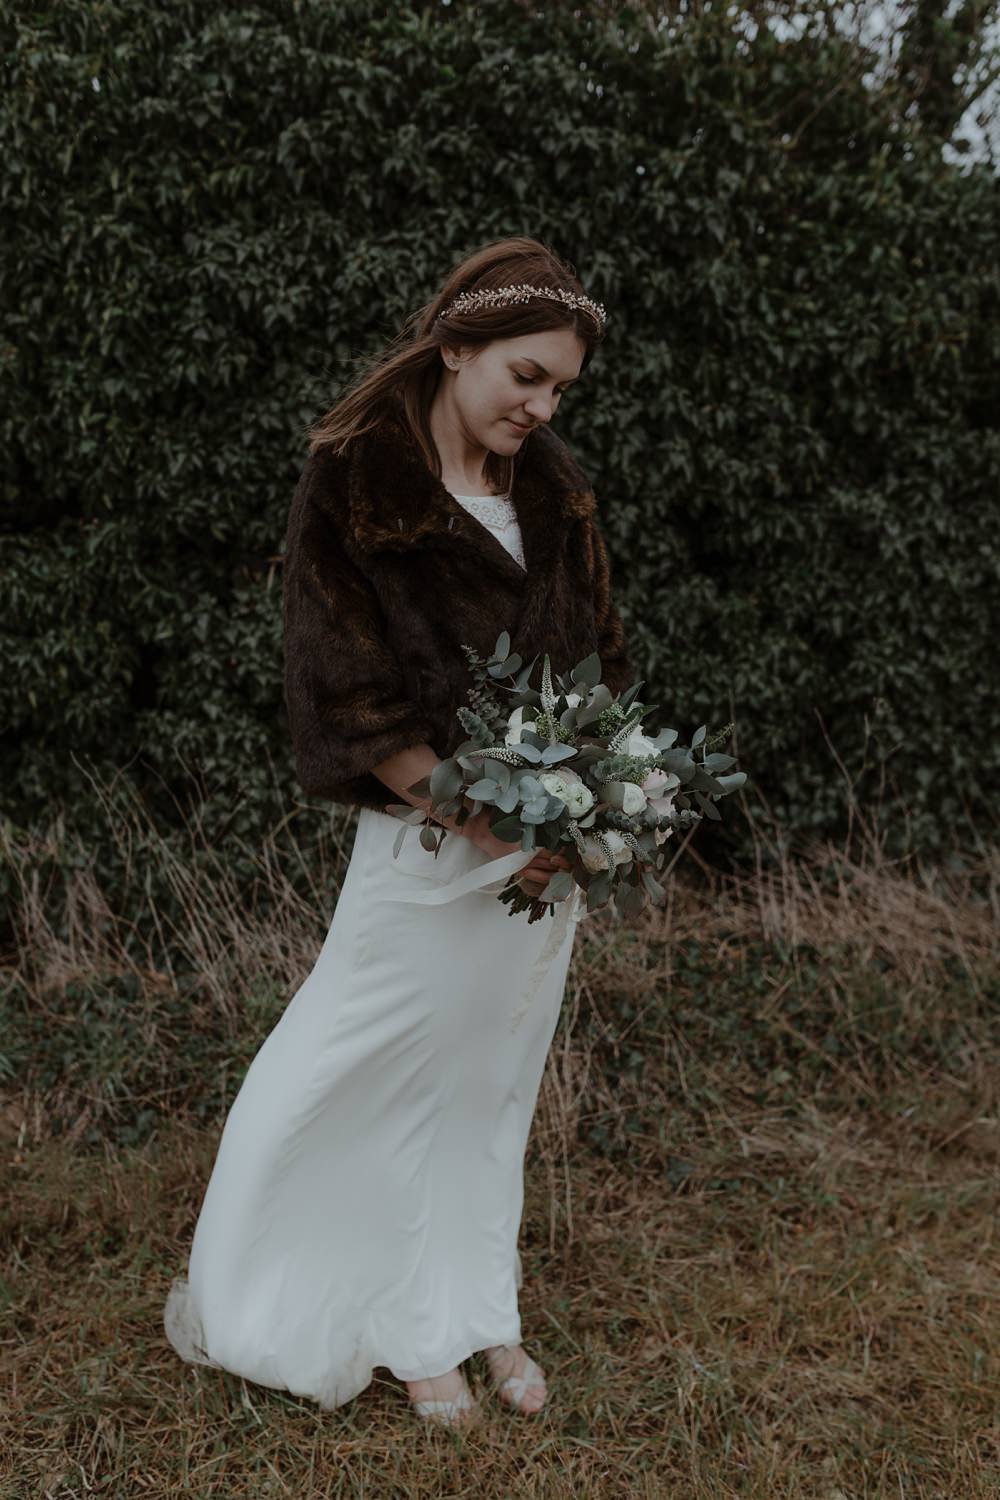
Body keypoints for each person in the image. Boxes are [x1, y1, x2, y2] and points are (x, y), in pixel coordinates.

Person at [163, 235, 634, 1428]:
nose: (542, 403)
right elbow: (346, 695)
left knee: (490, 1086)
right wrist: (484, 816)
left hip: (538, 863)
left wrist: (587, 805)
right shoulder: (355, 477)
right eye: (525, 375)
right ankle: (362, 1311)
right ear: (455, 346)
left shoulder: (557, 487)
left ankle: (476, 1312)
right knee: (357, 1068)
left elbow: (595, 664)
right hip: (430, 845)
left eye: (560, 387)